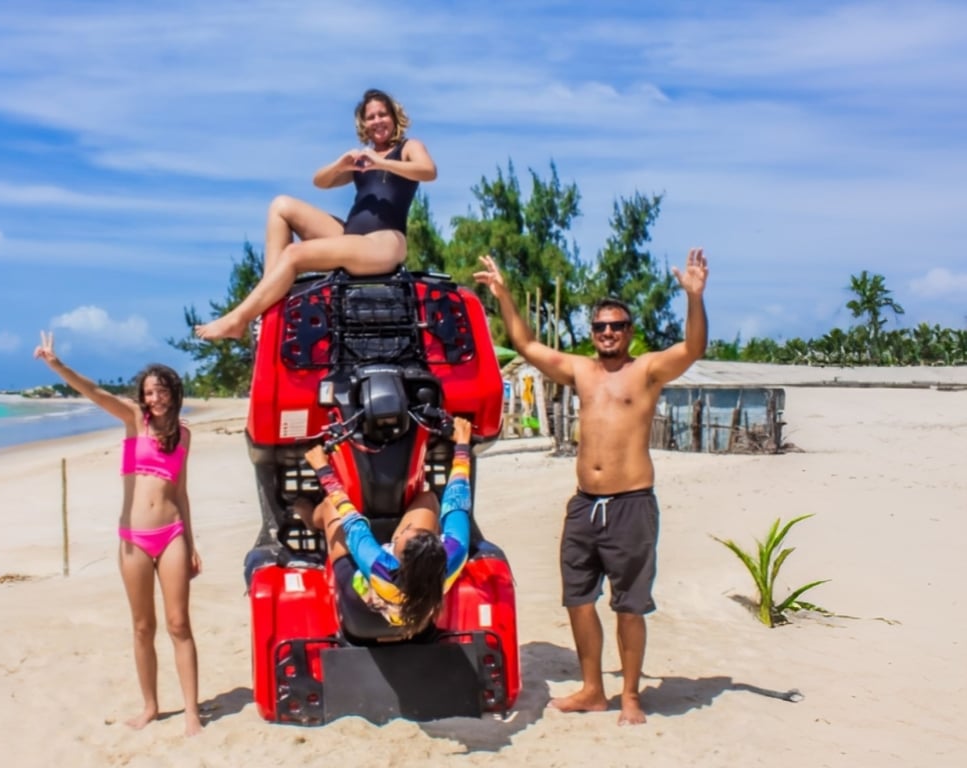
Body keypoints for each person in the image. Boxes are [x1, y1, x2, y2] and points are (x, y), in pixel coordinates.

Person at [473, 249, 709, 725]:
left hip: (631, 505)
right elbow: (526, 345)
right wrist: (503, 294)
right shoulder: (581, 370)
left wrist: (694, 297)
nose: (608, 333)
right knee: (578, 599)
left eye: (616, 326)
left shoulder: (647, 371)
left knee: (629, 606)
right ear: (593, 332)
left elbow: (692, 349)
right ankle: (593, 690)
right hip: (584, 506)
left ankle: (631, 696)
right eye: (601, 326)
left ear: (629, 331)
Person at [33, 331, 204, 736]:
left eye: (161, 391)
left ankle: (192, 712)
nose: (155, 398)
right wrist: (56, 365)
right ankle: (150, 707)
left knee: (179, 624)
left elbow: (181, 492)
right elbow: (93, 391)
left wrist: (192, 544)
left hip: (173, 534)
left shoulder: (184, 435)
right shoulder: (133, 420)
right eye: (149, 392)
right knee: (143, 626)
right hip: (133, 540)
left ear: (173, 393)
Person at [194, 88, 437, 341]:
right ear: (363, 124)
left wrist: (381, 163)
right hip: (350, 236)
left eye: (383, 114)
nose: (377, 121)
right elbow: (320, 182)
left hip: (385, 242)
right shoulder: (363, 160)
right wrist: (341, 164)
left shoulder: (408, 147)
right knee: (281, 206)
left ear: (394, 118)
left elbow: (428, 171)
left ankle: (239, 319)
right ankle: (269, 304)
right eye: (371, 117)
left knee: (294, 254)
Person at [297, 416, 474, 637]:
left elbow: (354, 523)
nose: (401, 533)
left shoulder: (381, 567)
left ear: (397, 562)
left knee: (331, 507)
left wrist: (323, 469)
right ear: (437, 544)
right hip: (419, 604)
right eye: (408, 532)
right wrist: (462, 446)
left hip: (370, 596)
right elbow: (456, 502)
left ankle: (312, 520)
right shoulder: (455, 551)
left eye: (398, 539)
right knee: (428, 499)